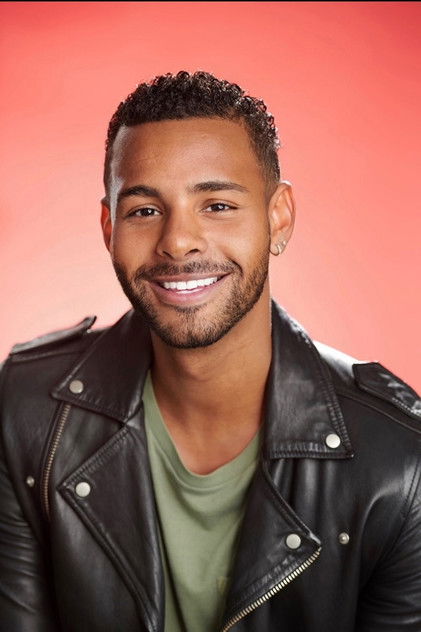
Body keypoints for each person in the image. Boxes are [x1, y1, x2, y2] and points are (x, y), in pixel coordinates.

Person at [0, 71, 420, 632]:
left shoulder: (399, 461)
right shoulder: (28, 414)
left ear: (278, 217)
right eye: (144, 210)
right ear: (108, 227)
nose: (178, 241)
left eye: (217, 205)